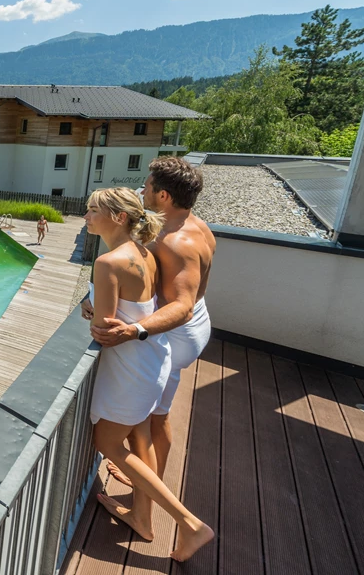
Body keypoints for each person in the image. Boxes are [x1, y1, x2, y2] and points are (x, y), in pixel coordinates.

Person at [84, 186, 213, 562]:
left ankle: (189, 523)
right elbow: (128, 307)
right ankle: (143, 518)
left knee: (108, 444)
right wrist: (91, 302)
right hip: (153, 360)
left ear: (118, 217)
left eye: (93, 210)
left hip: (129, 370)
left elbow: (106, 332)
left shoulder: (108, 263)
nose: (87, 216)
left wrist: (94, 314)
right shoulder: (144, 251)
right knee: (139, 440)